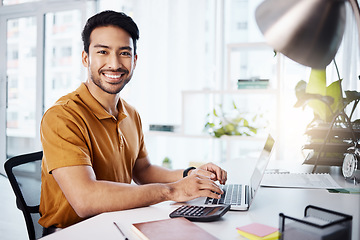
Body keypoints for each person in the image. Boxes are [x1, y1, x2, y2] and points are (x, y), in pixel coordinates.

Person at [39, 10, 227, 232]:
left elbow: (144, 171)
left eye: (124, 53)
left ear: (135, 60)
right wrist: (173, 191)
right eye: (103, 51)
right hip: (74, 232)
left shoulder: (130, 113)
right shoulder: (63, 116)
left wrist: (190, 175)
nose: (115, 63)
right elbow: (85, 199)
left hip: (120, 221)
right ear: (85, 58)